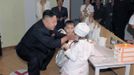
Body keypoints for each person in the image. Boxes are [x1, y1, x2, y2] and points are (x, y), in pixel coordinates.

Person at [16, 10, 75, 75]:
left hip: (36, 45)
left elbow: (57, 34)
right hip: (24, 49)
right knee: (34, 59)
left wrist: (69, 37)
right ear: (45, 21)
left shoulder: (49, 26)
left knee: (51, 50)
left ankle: (42, 66)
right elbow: (51, 44)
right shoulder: (38, 29)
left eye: (56, 21)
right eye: (53, 22)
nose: (55, 24)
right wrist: (67, 37)